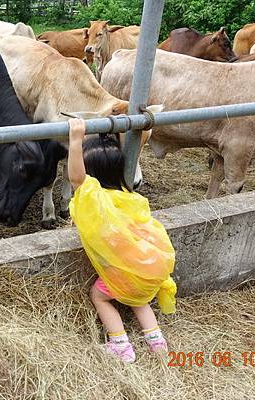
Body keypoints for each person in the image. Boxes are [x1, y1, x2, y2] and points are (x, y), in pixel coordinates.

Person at [67, 118, 176, 363]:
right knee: (140, 300)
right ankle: (157, 343)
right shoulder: (127, 196)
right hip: (152, 270)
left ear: (91, 173)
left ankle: (120, 345)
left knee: (100, 295)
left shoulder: (95, 200)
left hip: (126, 275)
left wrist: (76, 139)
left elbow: (76, 179)